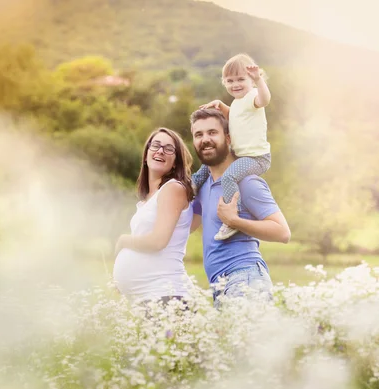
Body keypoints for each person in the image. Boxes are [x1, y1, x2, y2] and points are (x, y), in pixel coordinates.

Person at [189, 108, 290, 307]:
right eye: (198, 134)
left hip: (246, 279)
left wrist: (234, 221)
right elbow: (189, 226)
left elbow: (282, 232)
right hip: (219, 285)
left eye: (212, 132)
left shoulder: (247, 183)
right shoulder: (204, 185)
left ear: (228, 139)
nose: (205, 139)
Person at [192, 53, 272, 241]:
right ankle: (193, 184)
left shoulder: (253, 97)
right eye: (230, 80)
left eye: (241, 79)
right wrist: (221, 105)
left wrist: (259, 81)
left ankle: (231, 218)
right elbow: (234, 117)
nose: (235, 84)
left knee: (228, 177)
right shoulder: (237, 103)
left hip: (256, 158)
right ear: (224, 82)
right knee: (210, 165)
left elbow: (265, 99)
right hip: (239, 154)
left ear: (251, 80)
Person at [113, 127, 195, 305]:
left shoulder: (173, 188)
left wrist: (123, 241)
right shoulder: (147, 200)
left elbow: (158, 241)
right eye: (156, 145)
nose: (160, 151)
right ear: (146, 154)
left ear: (175, 162)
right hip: (150, 298)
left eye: (169, 148)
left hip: (167, 296)